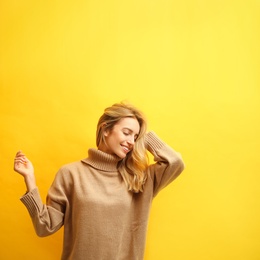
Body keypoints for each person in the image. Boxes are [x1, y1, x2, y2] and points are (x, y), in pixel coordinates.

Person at [14, 102, 185, 260]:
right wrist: (30, 179)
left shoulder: (139, 178)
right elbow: (45, 226)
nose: (131, 142)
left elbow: (175, 162)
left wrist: (144, 138)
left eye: (135, 137)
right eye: (126, 133)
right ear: (105, 129)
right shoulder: (71, 174)